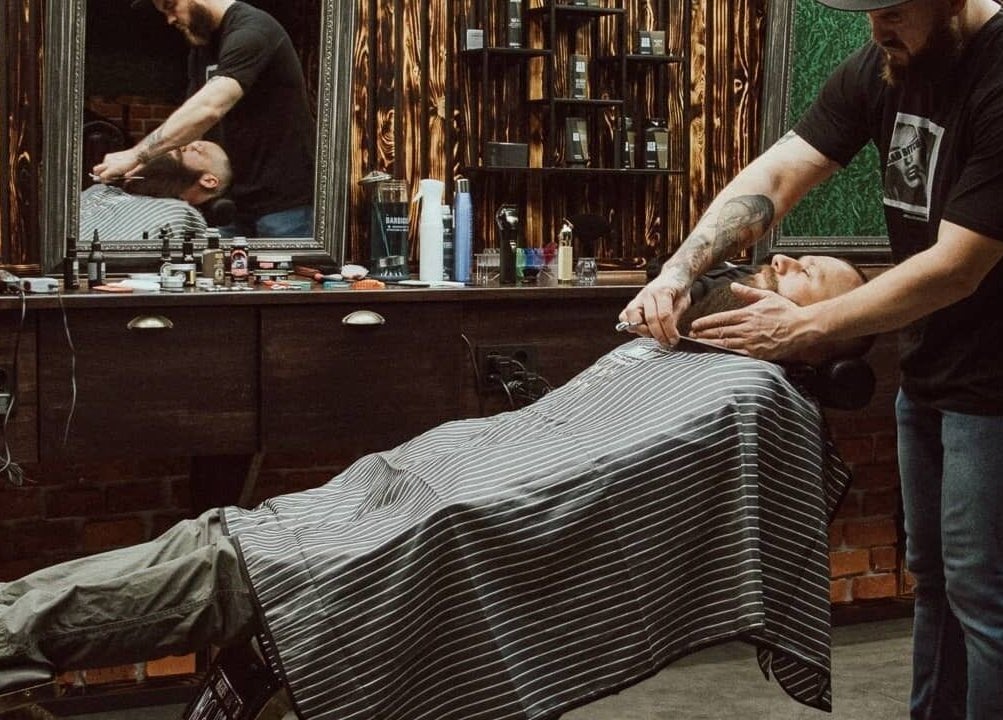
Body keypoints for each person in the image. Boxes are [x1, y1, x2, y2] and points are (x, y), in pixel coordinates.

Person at [0, 259, 869, 718]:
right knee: (187, 558)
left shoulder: (750, 395)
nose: (781, 255)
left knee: (186, 571)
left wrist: (455, 510)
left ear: (819, 334)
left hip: (385, 542)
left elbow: (584, 485)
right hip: (372, 508)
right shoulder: (673, 356)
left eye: (804, 274)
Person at [619, 0, 1003, 716]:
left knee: (986, 596)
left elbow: (957, 267)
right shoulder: (886, 64)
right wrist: (676, 271)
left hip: (996, 386)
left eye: (892, 10)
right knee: (936, 583)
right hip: (930, 368)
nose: (876, 28)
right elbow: (782, 169)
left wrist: (805, 327)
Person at [95, 0, 315, 238]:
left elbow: (209, 108)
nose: (170, 20)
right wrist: (147, 165)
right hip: (231, 200)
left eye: (170, 6)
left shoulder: (253, 31)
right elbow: (193, 122)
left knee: (286, 277)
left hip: (284, 203)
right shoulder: (203, 47)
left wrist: (136, 153)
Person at [81, 139, 232, 242]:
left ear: (208, 180)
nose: (182, 146)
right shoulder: (102, 189)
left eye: (198, 150)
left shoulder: (181, 215)